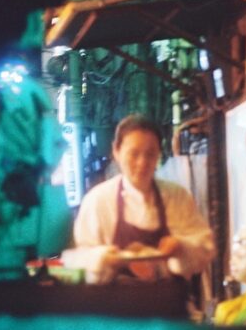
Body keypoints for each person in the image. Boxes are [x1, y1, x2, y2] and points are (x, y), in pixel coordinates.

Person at [67, 114, 214, 284]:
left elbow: (205, 249)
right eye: (133, 154)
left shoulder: (176, 196)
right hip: (113, 298)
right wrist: (102, 258)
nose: (142, 163)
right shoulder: (98, 200)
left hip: (169, 297)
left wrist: (181, 246)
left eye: (150, 154)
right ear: (116, 151)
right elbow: (79, 259)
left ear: (159, 154)